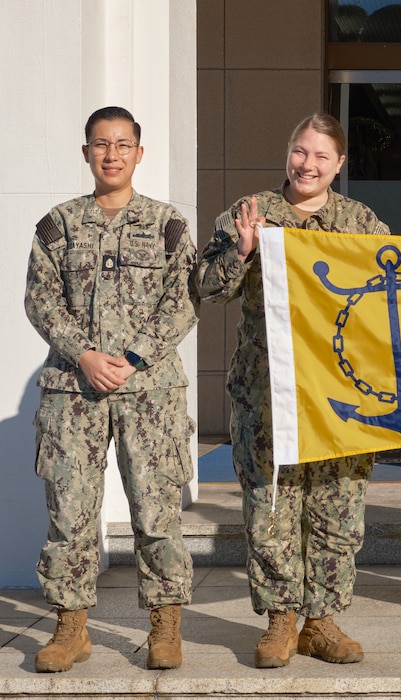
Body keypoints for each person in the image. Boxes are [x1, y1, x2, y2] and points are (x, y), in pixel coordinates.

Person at [196, 113, 390, 669]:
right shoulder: (251, 212)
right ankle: (281, 620)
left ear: (340, 163)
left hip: (342, 393)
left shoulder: (359, 220)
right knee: (272, 503)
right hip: (267, 393)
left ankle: (321, 622)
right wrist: (242, 251)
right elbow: (205, 288)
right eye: (300, 152)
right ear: (288, 152)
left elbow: (397, 287)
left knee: (337, 504)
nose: (308, 165)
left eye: (321, 156)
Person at [24, 106, 198, 672]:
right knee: (71, 514)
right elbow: (41, 300)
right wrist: (85, 355)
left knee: (157, 511)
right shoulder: (58, 225)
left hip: (150, 394)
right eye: (102, 144)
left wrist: (134, 356)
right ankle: (70, 629)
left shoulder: (167, 224)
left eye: (123, 144)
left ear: (139, 153)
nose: (112, 154)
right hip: (74, 392)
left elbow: (183, 300)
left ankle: (164, 626)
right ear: (86, 153)